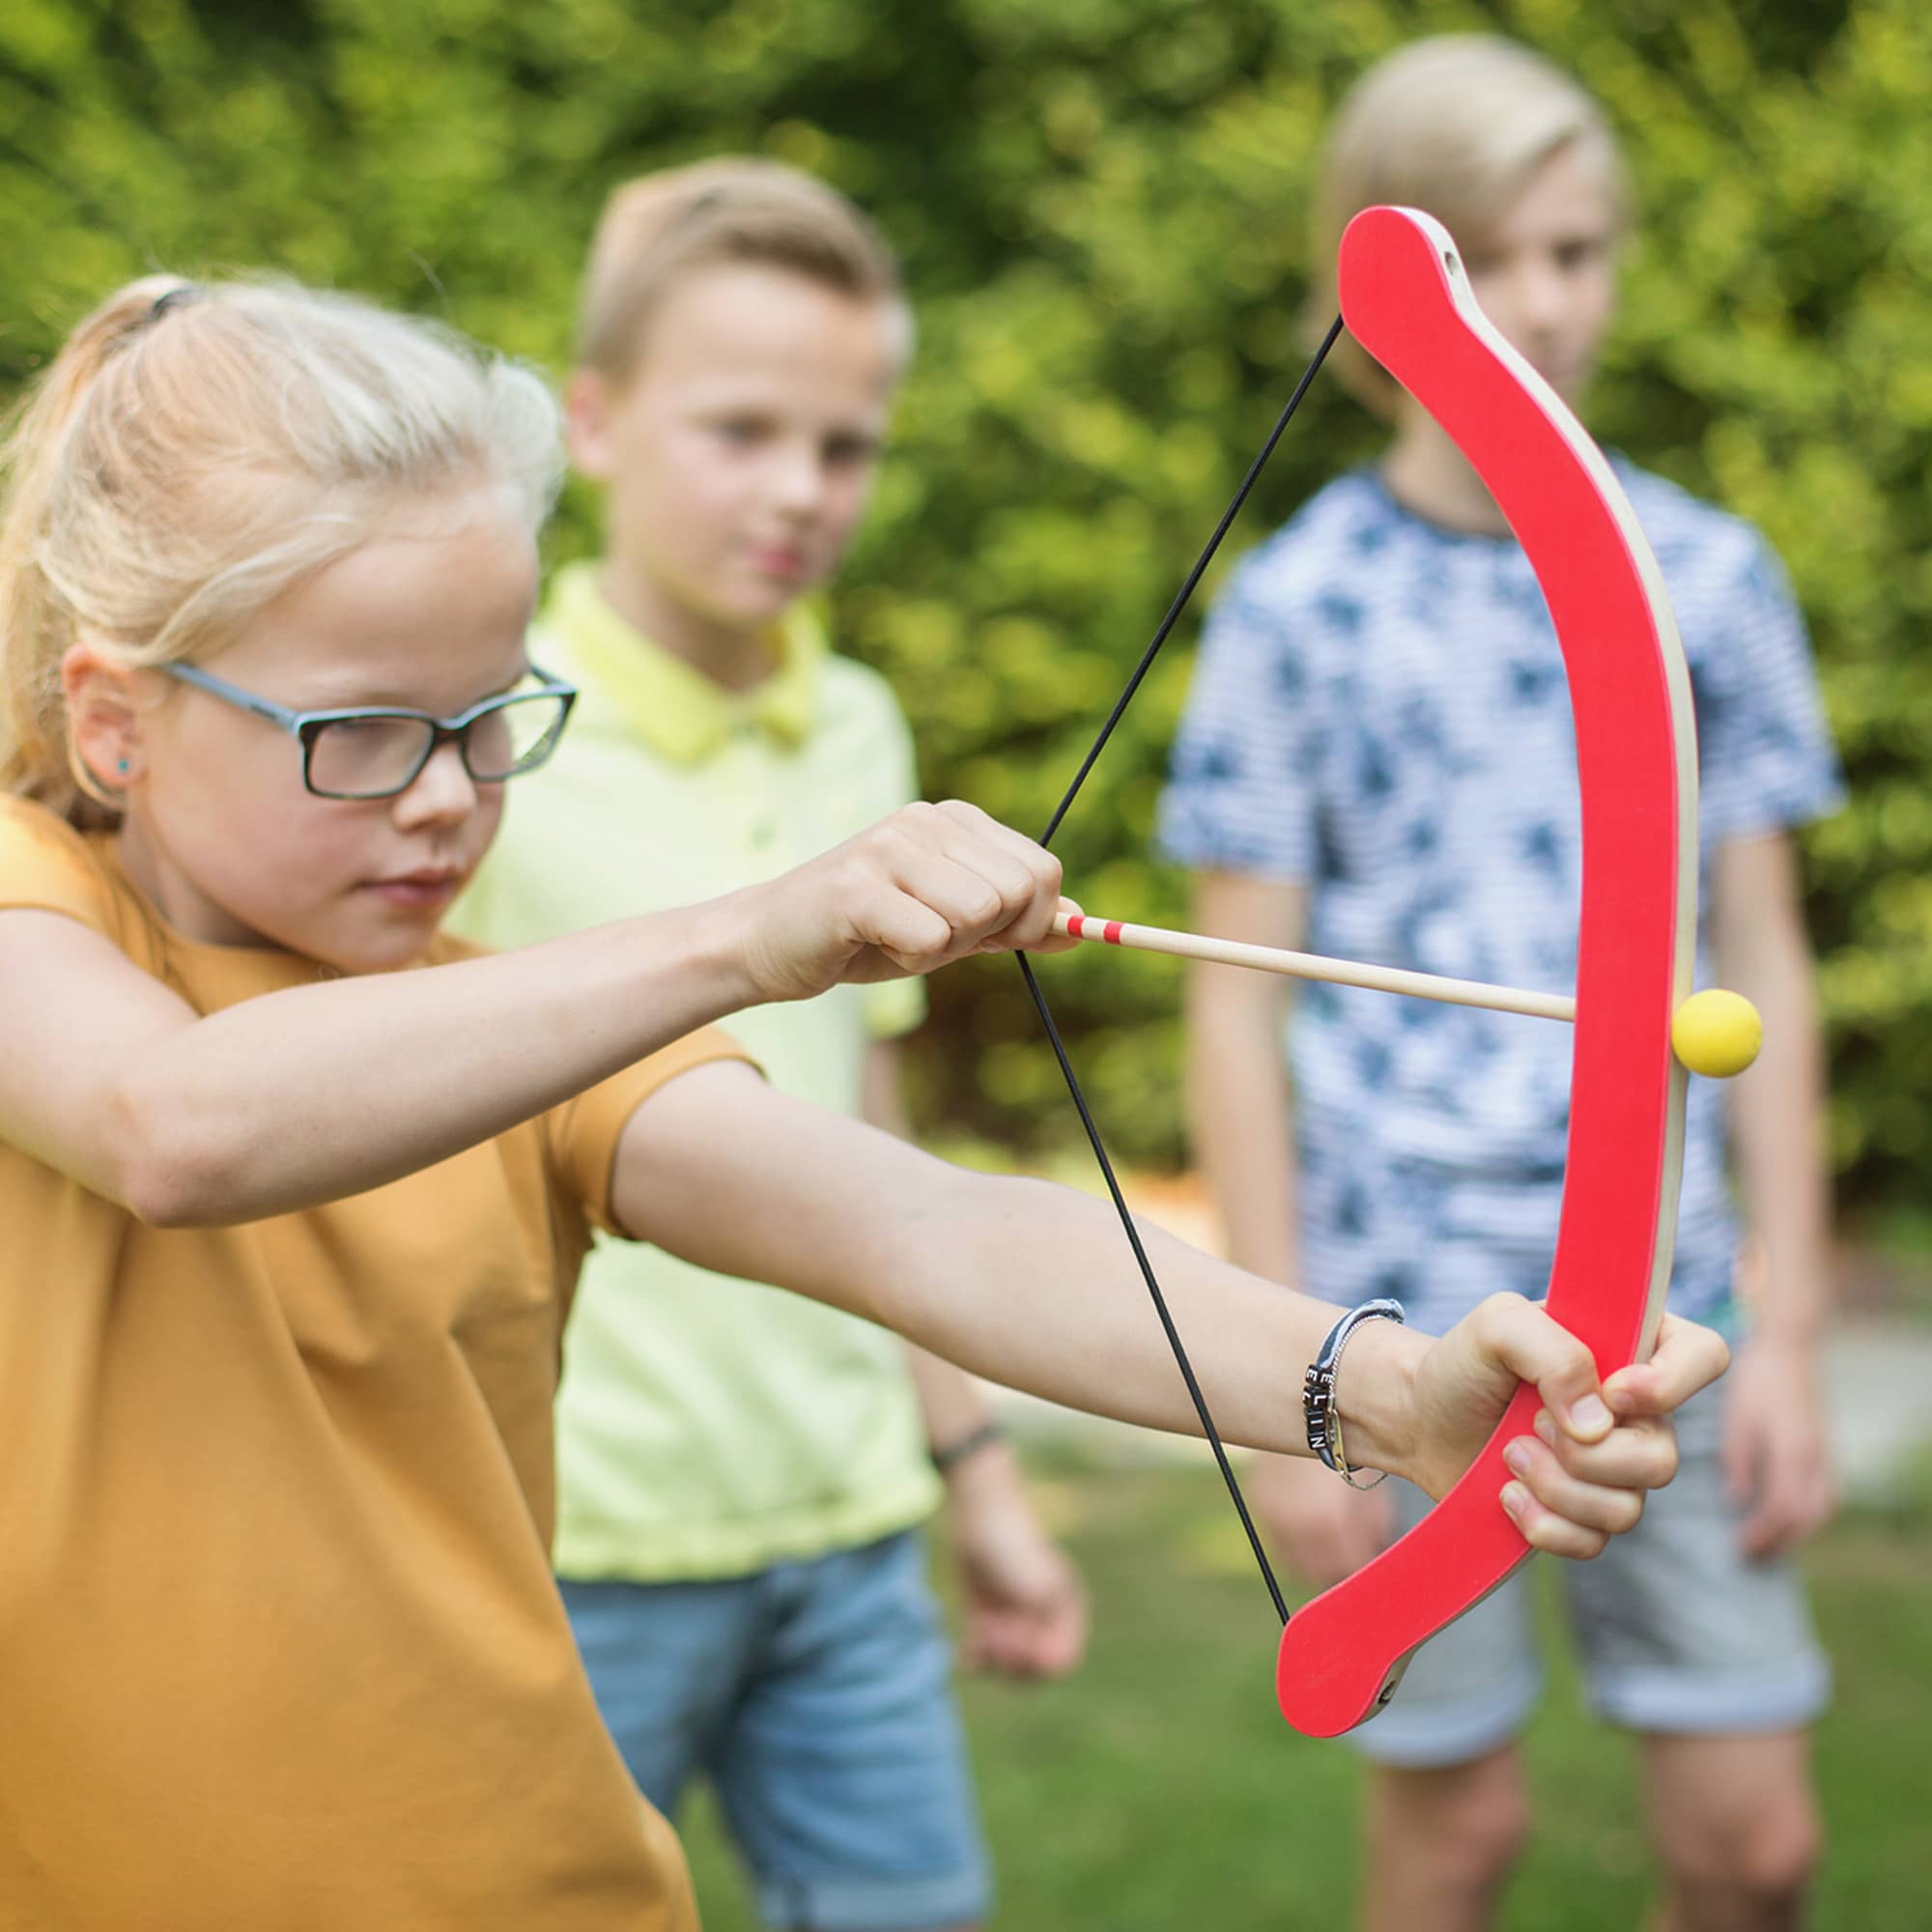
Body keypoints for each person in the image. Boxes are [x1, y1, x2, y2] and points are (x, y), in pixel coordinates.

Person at [0, 270, 1723, 1932]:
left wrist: (1388, 1389)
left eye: (494, 719)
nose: (450, 800)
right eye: (365, 733)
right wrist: (746, 937)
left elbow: (929, 1229)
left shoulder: (496, 1022)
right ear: (117, 721)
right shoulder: (41, 931)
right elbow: (175, 1128)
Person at [1160, 36, 1840, 1932]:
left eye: (1579, 247)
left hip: (1664, 1315)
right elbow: (1234, 1000)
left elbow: (1757, 953)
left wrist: (1779, 1331)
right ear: (1381, 287)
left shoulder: (1702, 572)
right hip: (1399, 1313)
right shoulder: (1299, 600)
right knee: (1448, 1842)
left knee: (1754, 1845)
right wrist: (1281, 1384)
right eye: (1486, 259)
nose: (1546, 300)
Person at [446, 159, 1080, 1932]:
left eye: (845, 442)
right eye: (739, 429)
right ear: (592, 423)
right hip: (566, 1542)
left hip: (846, 1531)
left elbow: (873, 1134)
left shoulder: (861, 725)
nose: (801, 491)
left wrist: (977, 1479)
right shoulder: (479, 737)